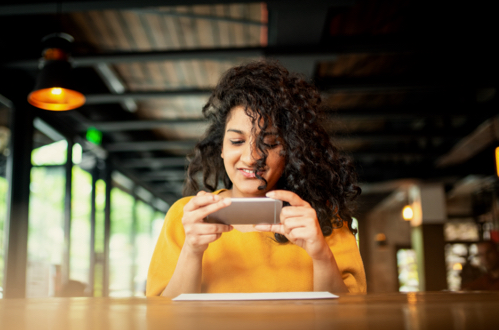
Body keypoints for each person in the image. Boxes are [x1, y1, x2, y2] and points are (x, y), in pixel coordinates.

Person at [146, 60, 366, 297]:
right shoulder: (185, 217)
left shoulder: (324, 220)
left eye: (269, 144)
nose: (252, 158)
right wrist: (191, 250)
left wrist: (321, 255)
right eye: (237, 141)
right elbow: (163, 317)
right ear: (221, 148)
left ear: (291, 150)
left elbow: (349, 316)